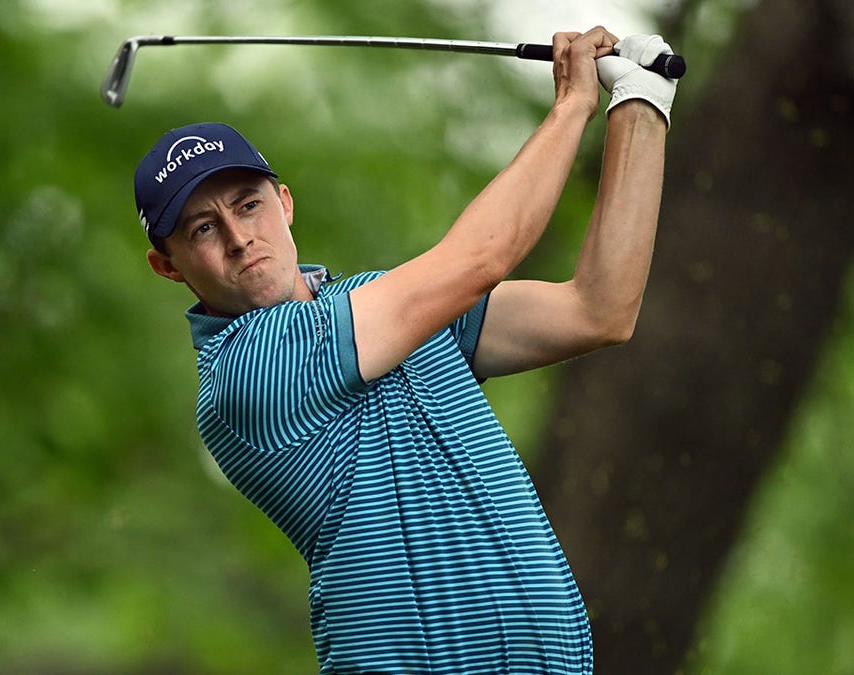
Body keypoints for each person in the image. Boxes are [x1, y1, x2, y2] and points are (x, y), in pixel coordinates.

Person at [132, 26, 675, 675]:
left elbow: (599, 309)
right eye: (202, 228)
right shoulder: (246, 373)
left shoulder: (381, 303)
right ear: (169, 267)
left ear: (284, 203)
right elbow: (481, 256)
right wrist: (571, 105)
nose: (240, 237)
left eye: (248, 205)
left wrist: (642, 106)